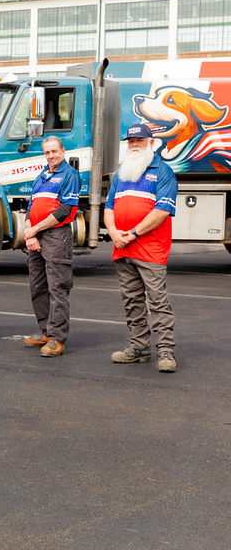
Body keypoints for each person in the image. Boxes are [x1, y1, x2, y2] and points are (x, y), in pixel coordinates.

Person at [105, 123, 179, 372]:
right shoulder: (121, 173)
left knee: (157, 301)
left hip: (150, 250)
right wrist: (114, 233)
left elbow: (161, 211)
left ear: (150, 142)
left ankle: (166, 351)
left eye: (139, 140)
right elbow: (108, 208)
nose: (134, 145)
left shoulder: (163, 171)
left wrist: (133, 233)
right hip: (123, 248)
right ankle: (138, 348)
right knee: (132, 301)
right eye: (131, 141)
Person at [22, 136, 80, 358]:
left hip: (56, 236)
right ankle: (45, 331)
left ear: (63, 151)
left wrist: (34, 230)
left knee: (57, 287)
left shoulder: (70, 175)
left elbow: (64, 210)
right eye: (47, 152)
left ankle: (57, 339)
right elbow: (30, 207)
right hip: (36, 236)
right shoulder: (42, 176)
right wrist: (30, 234)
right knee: (38, 286)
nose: (51, 156)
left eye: (54, 151)